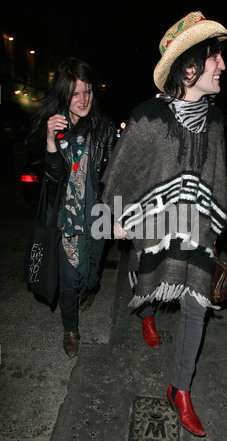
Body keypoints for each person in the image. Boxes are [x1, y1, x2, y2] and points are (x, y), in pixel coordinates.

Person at [102, 11, 227, 437]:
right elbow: (123, 170)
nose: (222, 65)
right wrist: (114, 215)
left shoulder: (215, 122)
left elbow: (216, 177)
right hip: (154, 225)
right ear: (189, 66)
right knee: (150, 285)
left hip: (195, 228)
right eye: (214, 56)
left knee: (196, 303)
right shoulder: (148, 115)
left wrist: (213, 226)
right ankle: (146, 312)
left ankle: (180, 389)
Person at [28, 58, 115, 357]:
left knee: (90, 273)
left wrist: (118, 212)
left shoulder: (103, 128)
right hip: (67, 216)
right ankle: (70, 328)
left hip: (98, 212)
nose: (83, 100)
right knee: (68, 278)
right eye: (76, 93)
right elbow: (52, 175)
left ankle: (91, 287)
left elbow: (113, 175)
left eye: (87, 91)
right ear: (65, 94)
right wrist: (51, 140)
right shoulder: (57, 126)